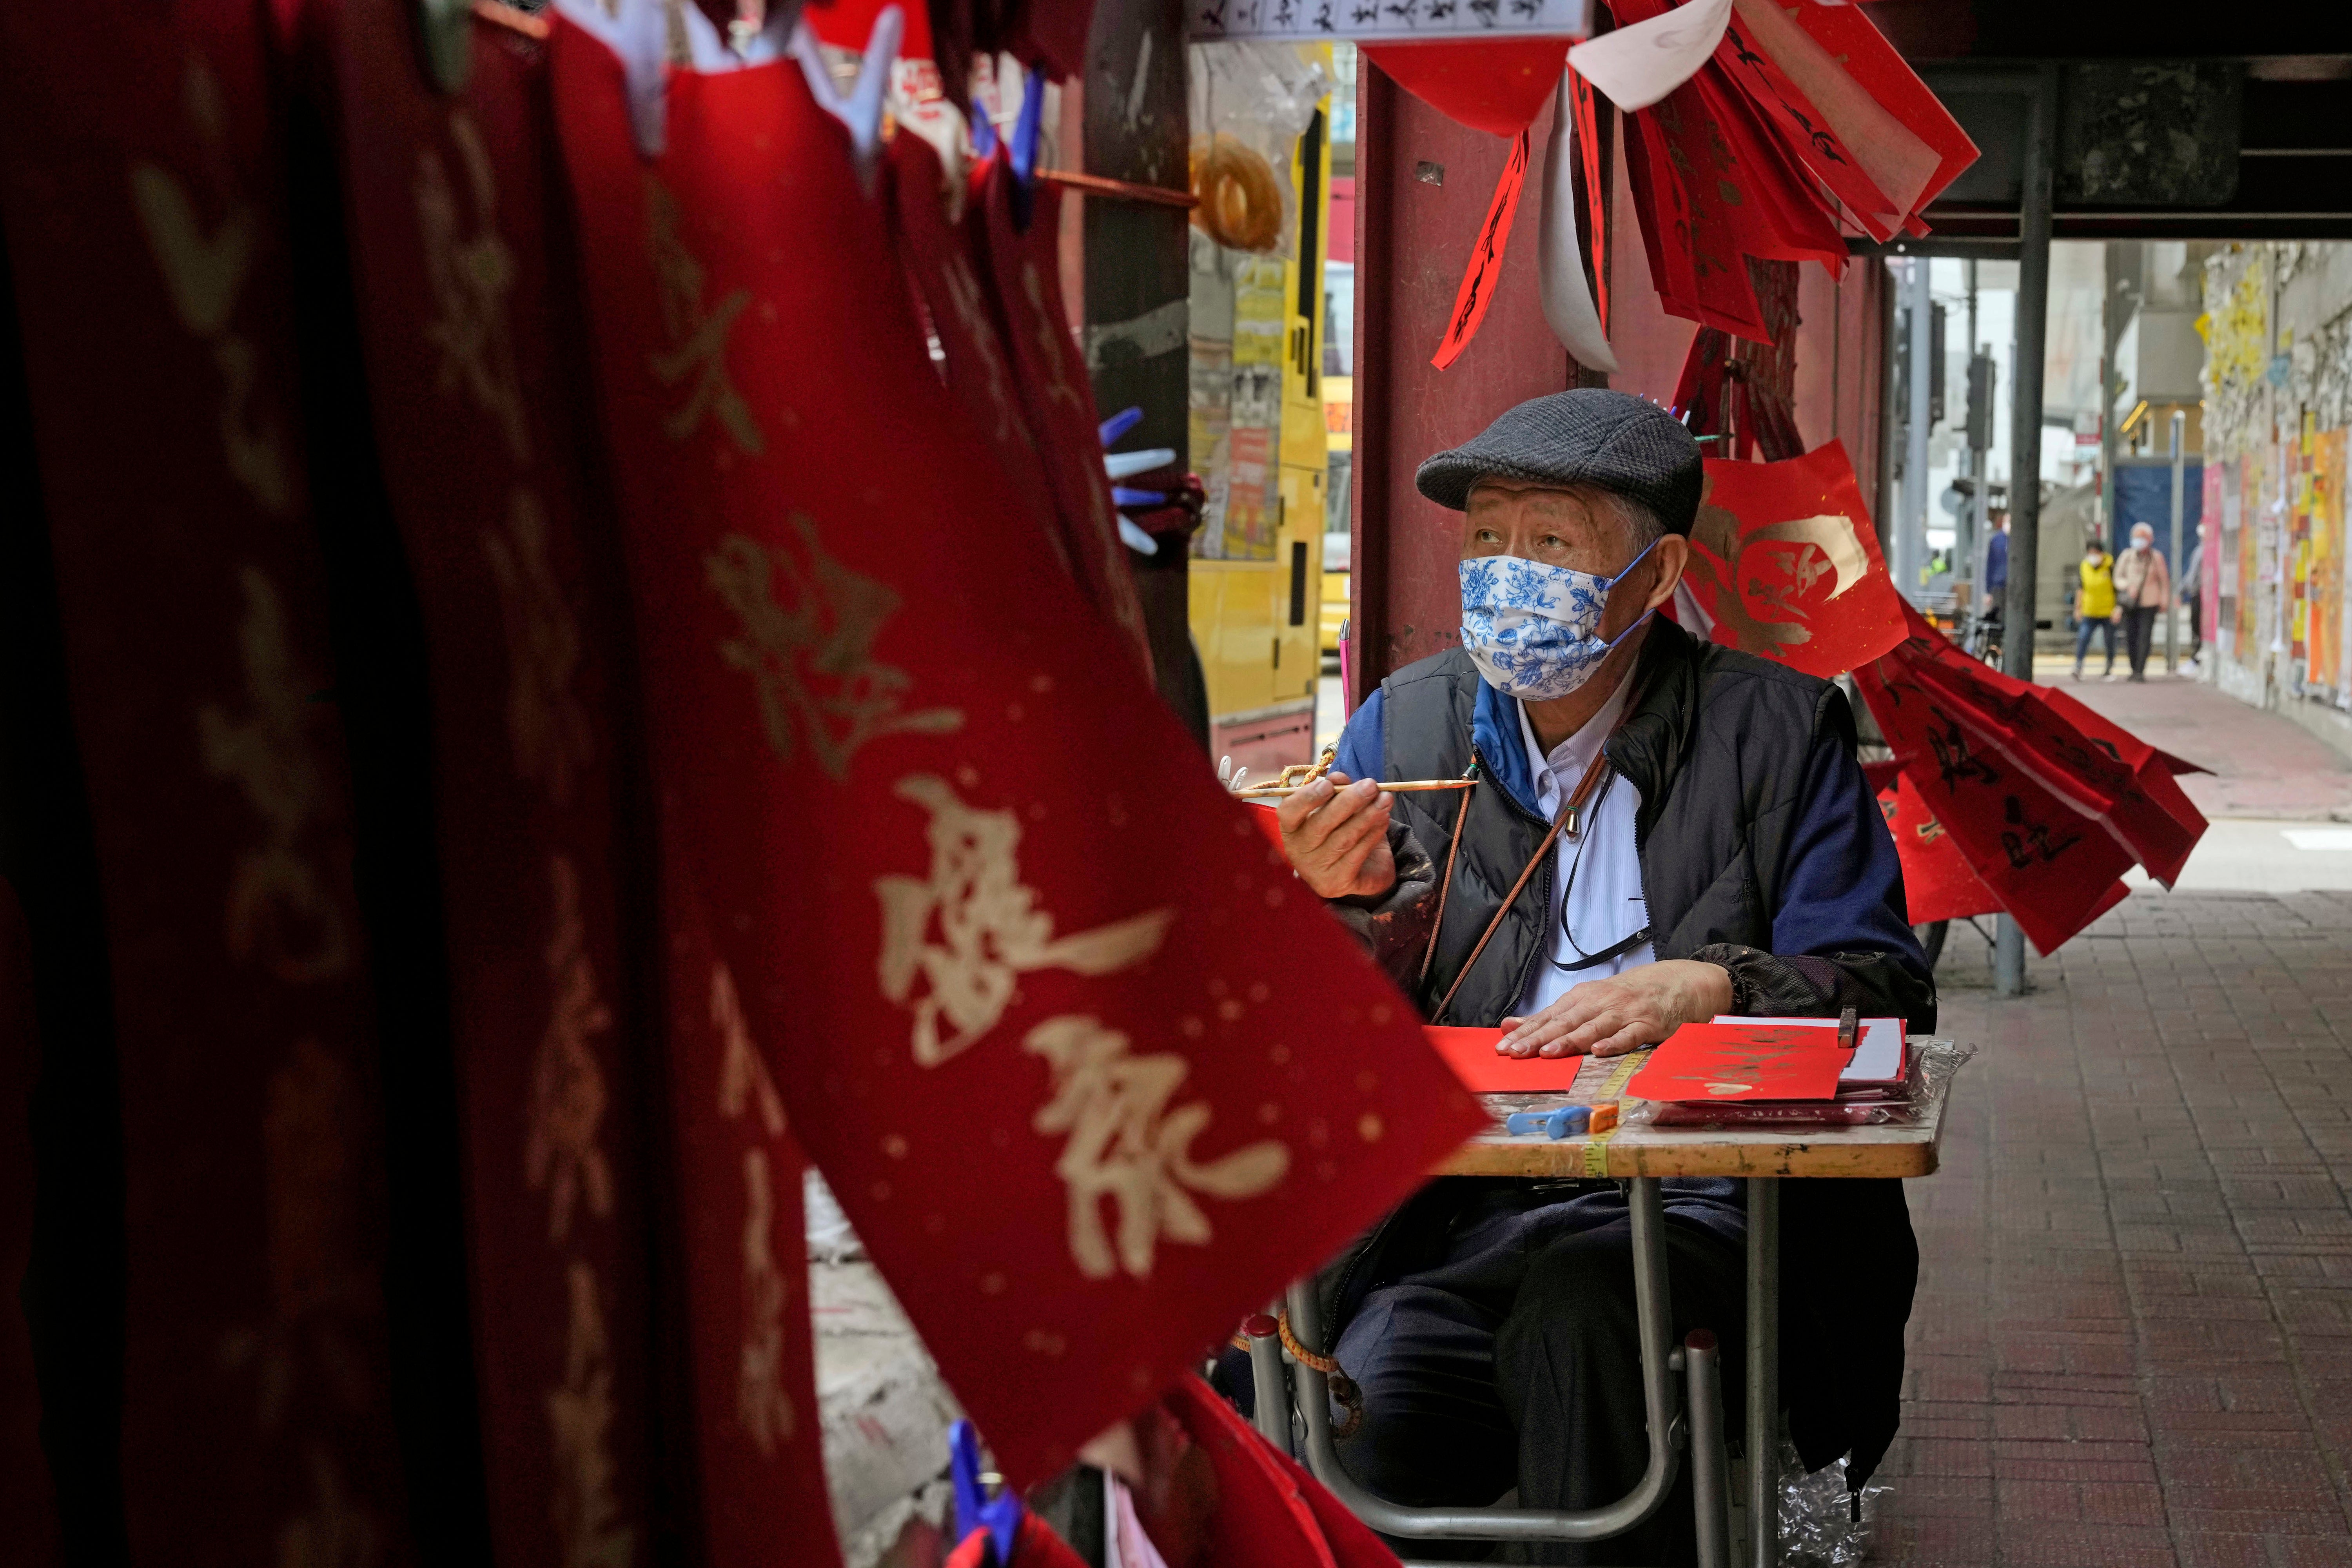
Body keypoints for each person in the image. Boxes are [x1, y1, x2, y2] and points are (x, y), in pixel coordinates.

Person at [1274, 391, 1933, 1566]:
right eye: (1484, 536)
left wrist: (1708, 985)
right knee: (1366, 1399)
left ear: (1657, 568)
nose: (1503, 572)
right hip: (1454, 1213)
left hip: (1702, 1208)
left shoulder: (1777, 731)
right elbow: (1324, 1026)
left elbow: (1881, 982)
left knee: (1577, 1327)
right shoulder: (1405, 731)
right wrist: (1327, 907)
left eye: (1549, 540)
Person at [2112, 521, 2171, 681]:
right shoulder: (2127, 556)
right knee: (2130, 636)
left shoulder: (2157, 557)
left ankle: (2140, 670)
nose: (2139, 541)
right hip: (2131, 603)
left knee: (2145, 637)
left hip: (2149, 603)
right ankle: (2133, 668)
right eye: (2137, 537)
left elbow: (2164, 581)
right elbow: (2117, 578)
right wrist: (2128, 586)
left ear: (2150, 539)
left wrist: (2164, 601)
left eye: (2143, 538)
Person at [2072, 534, 2117, 681]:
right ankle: (2078, 666)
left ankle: (2109, 666)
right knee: (2083, 638)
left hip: (2108, 611)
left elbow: (2117, 588)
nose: (2092, 556)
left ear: (2101, 553)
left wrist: (2118, 608)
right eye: (2090, 553)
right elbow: (2081, 588)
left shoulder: (2110, 565)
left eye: (2095, 553)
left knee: (2109, 640)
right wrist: (2078, 608)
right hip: (2089, 610)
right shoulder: (2084, 566)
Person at [1982, 509, 2010, 615]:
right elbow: (1991, 566)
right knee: (1999, 614)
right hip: (1999, 586)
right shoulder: (1997, 541)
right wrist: (1988, 591)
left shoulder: (2016, 540)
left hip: (2012, 584)